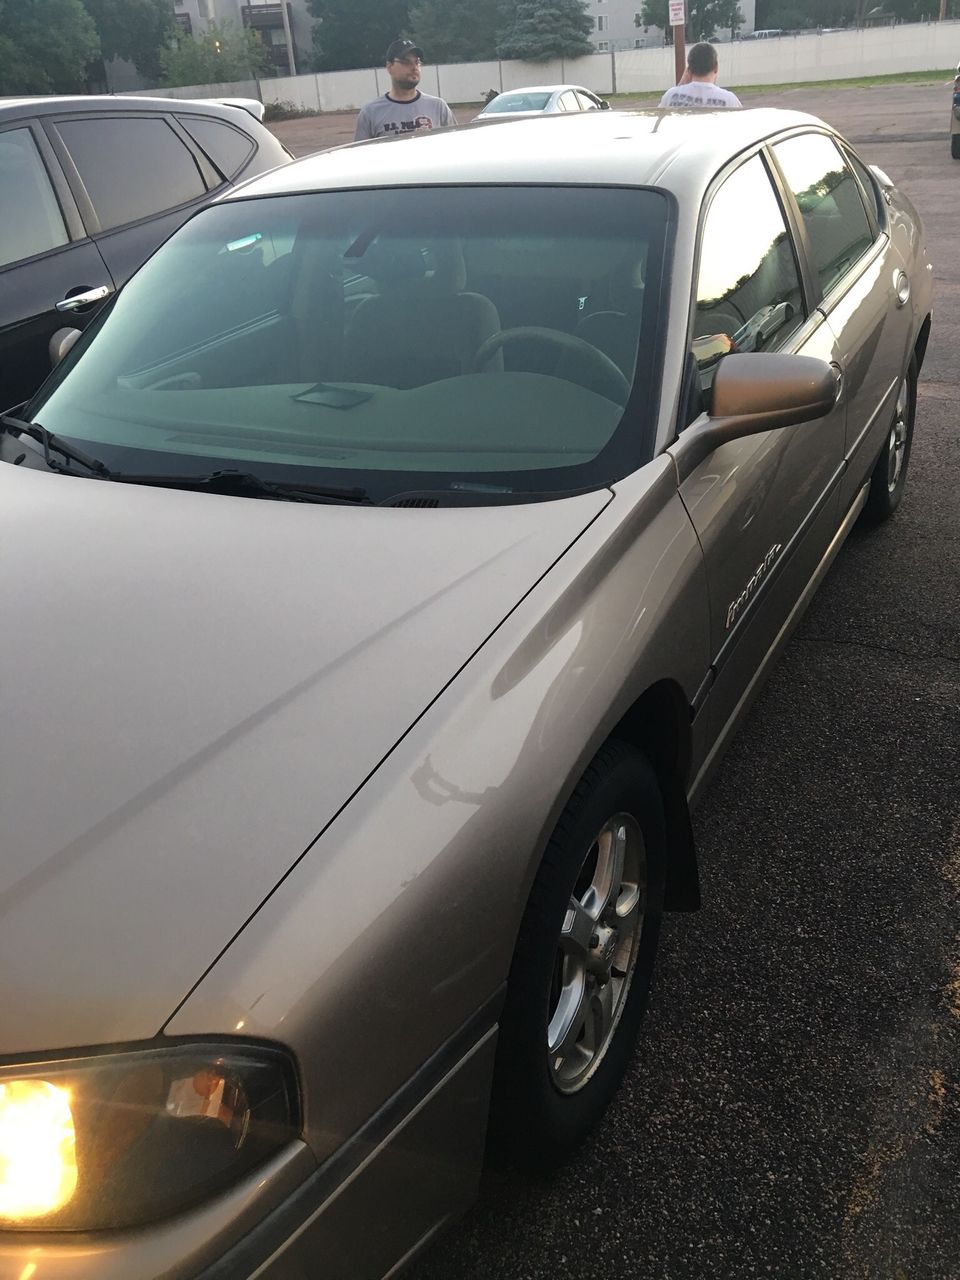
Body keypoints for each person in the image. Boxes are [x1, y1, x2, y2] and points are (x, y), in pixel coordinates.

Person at [354, 39, 457, 141]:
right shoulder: (371, 112)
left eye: (417, 62)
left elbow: (454, 146)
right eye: (406, 62)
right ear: (389, 67)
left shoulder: (438, 107)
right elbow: (360, 154)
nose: (414, 67)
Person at [658, 42, 742, 108]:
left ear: (689, 70)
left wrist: (680, 85)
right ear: (716, 67)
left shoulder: (671, 95)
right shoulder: (730, 100)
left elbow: (659, 119)